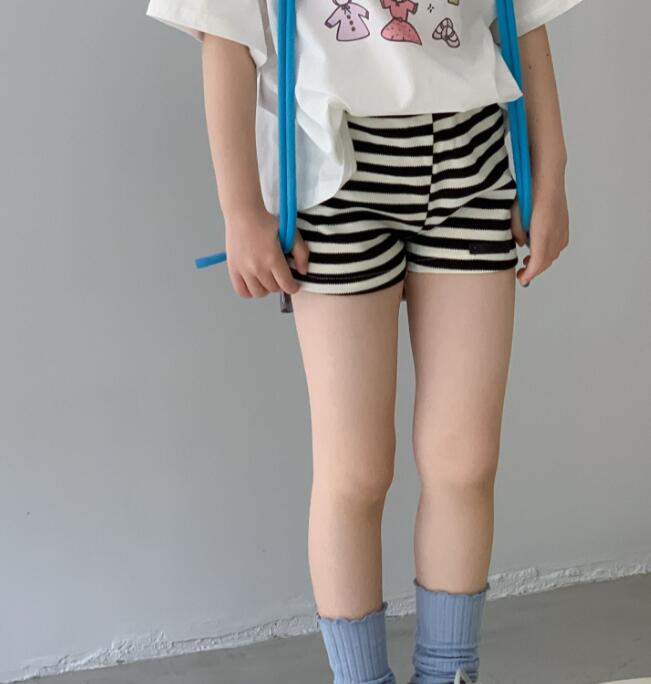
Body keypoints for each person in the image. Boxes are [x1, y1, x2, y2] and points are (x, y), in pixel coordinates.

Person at [145, 1, 583, 682]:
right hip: (333, 170)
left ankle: (449, 673)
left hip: (471, 160)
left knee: (465, 461)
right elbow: (224, 34)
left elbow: (524, 22)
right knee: (355, 471)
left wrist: (550, 175)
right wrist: (240, 207)